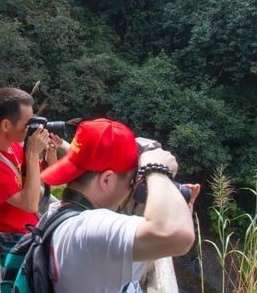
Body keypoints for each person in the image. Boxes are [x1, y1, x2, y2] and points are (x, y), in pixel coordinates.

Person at [40, 118, 200, 292]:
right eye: (131, 182)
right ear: (107, 180)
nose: (131, 190)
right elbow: (177, 236)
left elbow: (143, 252)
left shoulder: (58, 214)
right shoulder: (88, 230)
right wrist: (156, 170)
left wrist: (176, 209)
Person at [0, 87, 59, 270]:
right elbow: (31, 204)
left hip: (29, 229)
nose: (33, 128)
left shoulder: (14, 146)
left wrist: (50, 155)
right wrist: (33, 154)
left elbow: (46, 177)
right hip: (13, 241)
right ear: (6, 126)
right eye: (29, 123)